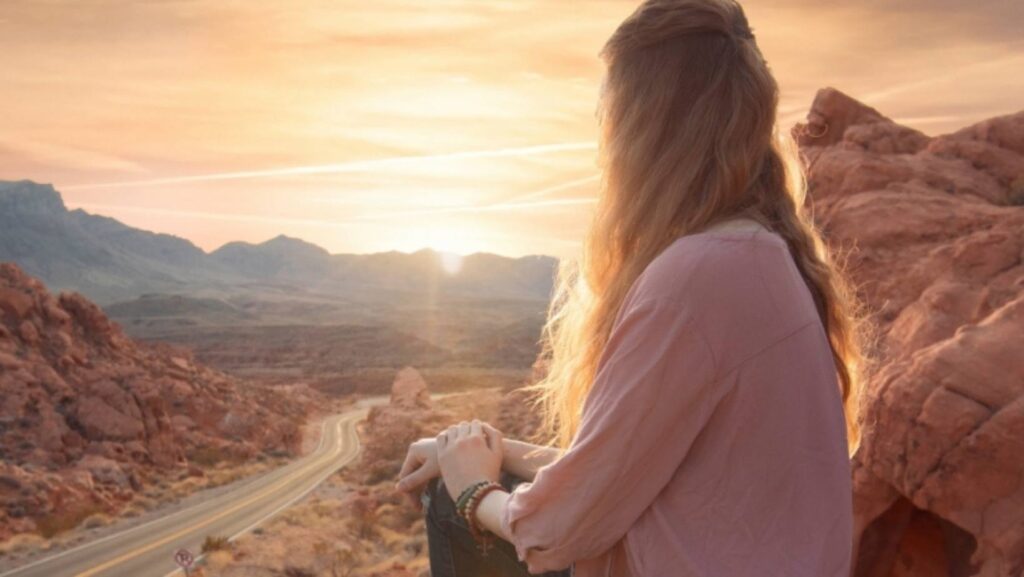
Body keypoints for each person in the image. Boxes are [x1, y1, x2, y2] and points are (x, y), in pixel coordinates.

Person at [396, 0, 867, 575]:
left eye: (611, 116)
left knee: (450, 506)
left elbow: (555, 534)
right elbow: (633, 470)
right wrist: (474, 452)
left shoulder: (697, 275)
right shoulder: (767, 253)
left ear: (643, 132)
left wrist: (469, 487)